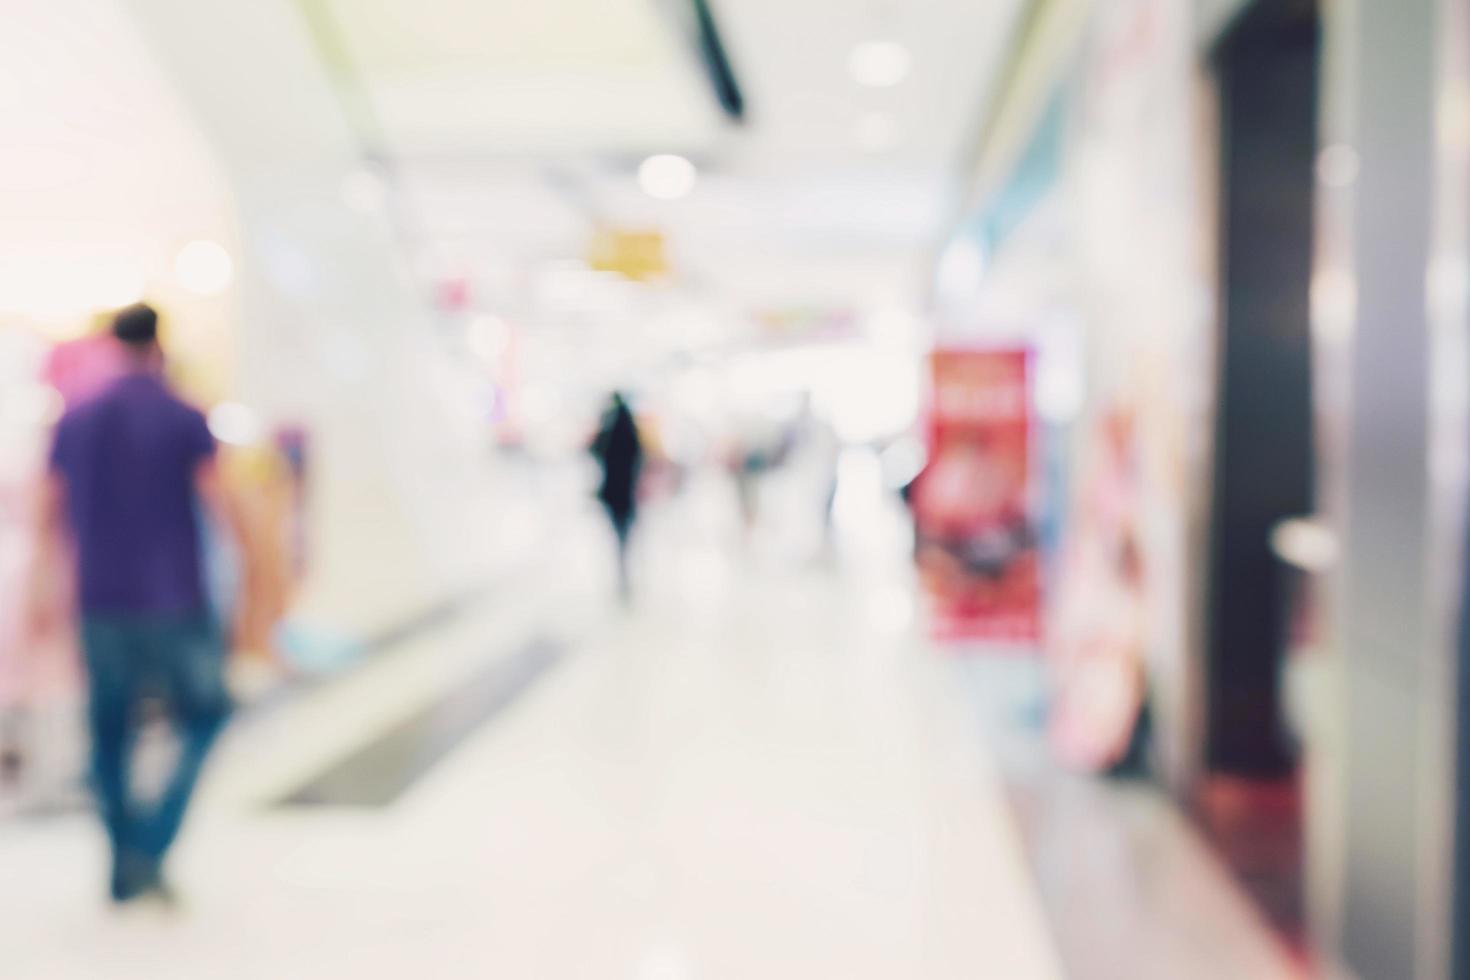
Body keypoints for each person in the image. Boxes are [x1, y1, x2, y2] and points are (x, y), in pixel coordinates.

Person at [28, 303, 241, 905]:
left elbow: (49, 512)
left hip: (100, 598)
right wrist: (251, 588)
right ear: (159, 345)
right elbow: (220, 504)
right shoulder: (184, 415)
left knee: (110, 732)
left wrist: (41, 591)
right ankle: (150, 842)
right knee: (208, 712)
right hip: (176, 598)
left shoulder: (76, 417)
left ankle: (124, 859)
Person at [589, 392, 643, 601]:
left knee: (619, 532)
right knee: (626, 532)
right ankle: (626, 568)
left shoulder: (608, 431)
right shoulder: (631, 432)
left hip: (613, 491)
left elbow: (595, 449)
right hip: (628, 491)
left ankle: (623, 569)